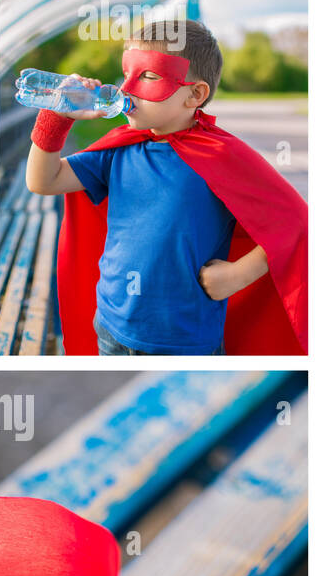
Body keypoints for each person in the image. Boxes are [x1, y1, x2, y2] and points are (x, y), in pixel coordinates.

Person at [25, 19, 307, 355]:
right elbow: (43, 180)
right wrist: (57, 117)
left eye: (147, 75)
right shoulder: (118, 150)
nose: (127, 88)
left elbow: (296, 221)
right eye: (126, 73)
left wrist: (237, 275)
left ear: (195, 94)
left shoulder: (223, 155)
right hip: (111, 328)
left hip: (187, 340)